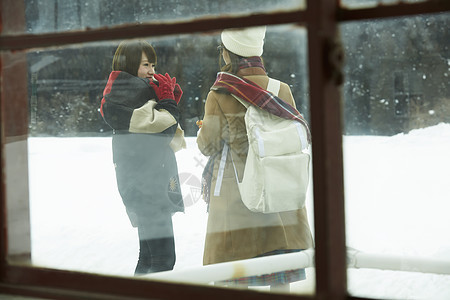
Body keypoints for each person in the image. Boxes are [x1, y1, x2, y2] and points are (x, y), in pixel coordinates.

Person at [197, 27, 314, 291]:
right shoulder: (281, 90)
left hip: (239, 197)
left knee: (236, 271)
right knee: (279, 271)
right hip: (278, 190)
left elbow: (209, 145)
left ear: (229, 54)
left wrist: (203, 129)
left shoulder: (221, 93)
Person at [100, 40, 185, 275]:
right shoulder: (132, 92)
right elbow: (163, 130)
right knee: (163, 260)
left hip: (141, 185)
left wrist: (167, 102)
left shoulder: (122, 91)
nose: (152, 71)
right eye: (145, 64)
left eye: (153, 64)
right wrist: (167, 102)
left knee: (149, 257)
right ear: (129, 65)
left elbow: (153, 129)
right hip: (149, 188)